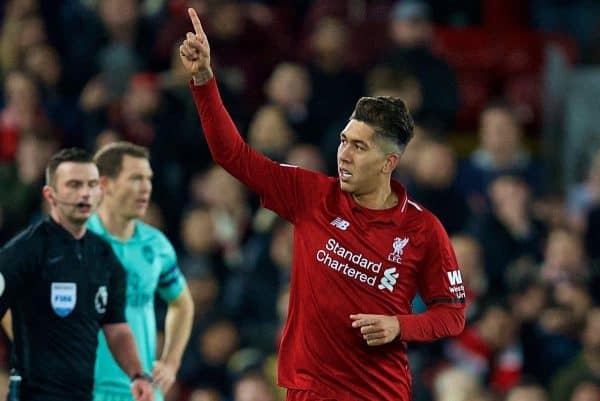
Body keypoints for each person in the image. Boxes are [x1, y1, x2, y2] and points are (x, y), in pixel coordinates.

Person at [180, 8, 466, 401]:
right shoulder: (310, 194)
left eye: (359, 147)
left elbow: (452, 314)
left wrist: (401, 326)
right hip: (308, 390)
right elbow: (233, 155)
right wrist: (203, 79)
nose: (344, 154)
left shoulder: (422, 229)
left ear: (389, 163)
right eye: (344, 141)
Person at [0, 148, 153, 401]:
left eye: (92, 185)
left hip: (81, 394)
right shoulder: (25, 251)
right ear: (51, 195)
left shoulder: (105, 256)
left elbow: (116, 326)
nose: (85, 193)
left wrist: (137, 374)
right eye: (74, 184)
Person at [90, 142, 194, 401]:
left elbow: (182, 304)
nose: (146, 187)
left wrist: (171, 362)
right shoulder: (74, 241)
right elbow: (14, 292)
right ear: (105, 184)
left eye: (148, 178)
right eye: (135, 178)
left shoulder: (155, 245)